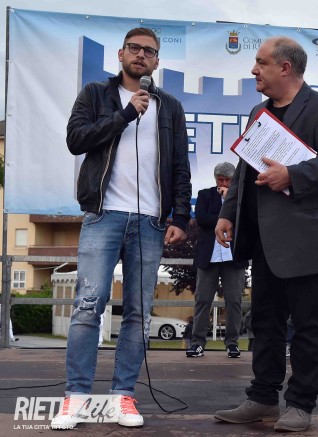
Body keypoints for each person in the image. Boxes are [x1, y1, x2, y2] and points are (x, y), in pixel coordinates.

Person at [213, 36, 318, 433]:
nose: (254, 70)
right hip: (265, 241)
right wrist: (227, 213)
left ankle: (301, 404)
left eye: (261, 63)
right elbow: (245, 170)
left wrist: (292, 175)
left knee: (308, 326)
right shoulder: (258, 112)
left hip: (311, 240)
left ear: (285, 68)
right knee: (265, 323)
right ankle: (262, 398)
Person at [52, 27, 191, 430]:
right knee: (88, 305)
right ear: (120, 53)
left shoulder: (170, 107)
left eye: (149, 51)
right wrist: (126, 114)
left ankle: (122, 396)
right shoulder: (96, 94)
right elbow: (76, 140)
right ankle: (76, 397)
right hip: (104, 214)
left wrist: (180, 217)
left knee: (138, 312)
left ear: (157, 61)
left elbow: (180, 165)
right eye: (134, 48)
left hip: (150, 221)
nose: (141, 55)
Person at [186, 162, 247, 359]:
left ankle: (232, 343)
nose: (224, 183)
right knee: (203, 300)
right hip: (209, 257)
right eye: (221, 180)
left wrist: (229, 200)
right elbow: (201, 218)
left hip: (233, 258)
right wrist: (224, 218)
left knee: (234, 301)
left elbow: (244, 220)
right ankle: (198, 342)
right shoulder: (205, 195)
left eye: (228, 180)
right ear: (215, 179)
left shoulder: (240, 197)